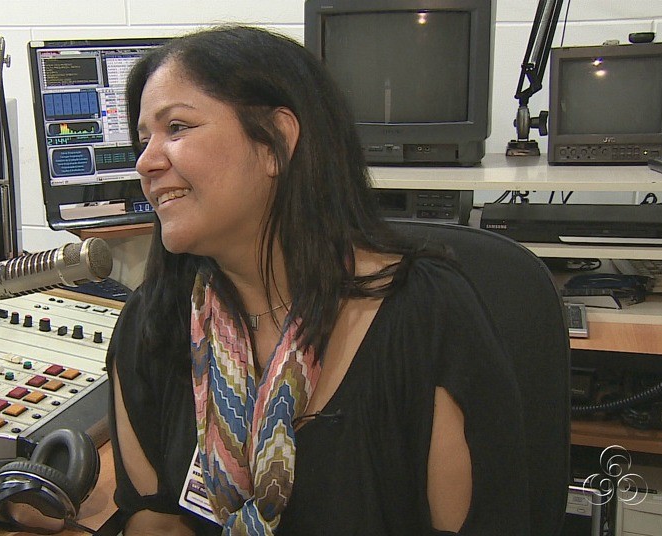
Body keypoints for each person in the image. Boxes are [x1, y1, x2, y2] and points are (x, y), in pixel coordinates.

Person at [106, 25, 528, 535]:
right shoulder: (153, 320)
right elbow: (153, 518)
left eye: (177, 128)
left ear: (276, 142)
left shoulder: (427, 317)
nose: (146, 162)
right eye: (143, 138)